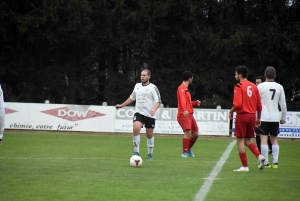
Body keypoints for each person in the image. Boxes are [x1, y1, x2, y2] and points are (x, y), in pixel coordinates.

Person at [115, 69, 161, 160]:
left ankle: (150, 153)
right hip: (139, 112)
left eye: (144, 75)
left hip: (150, 114)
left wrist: (154, 109)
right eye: (141, 75)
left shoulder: (153, 87)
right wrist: (122, 105)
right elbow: (132, 98)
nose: (142, 77)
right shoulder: (137, 86)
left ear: (149, 76)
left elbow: (158, 101)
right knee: (135, 129)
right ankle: (136, 151)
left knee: (149, 134)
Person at [229, 66, 265, 172]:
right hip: (252, 115)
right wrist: (258, 117)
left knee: (240, 140)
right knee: (248, 140)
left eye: (236, 74)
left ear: (240, 75)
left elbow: (238, 105)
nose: (235, 76)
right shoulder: (254, 86)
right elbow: (259, 105)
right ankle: (259, 156)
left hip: (242, 115)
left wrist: (230, 112)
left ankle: (244, 166)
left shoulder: (238, 86)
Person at [256, 66, 287, 168]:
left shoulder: (260, 87)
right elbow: (283, 104)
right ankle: (275, 162)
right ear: (275, 76)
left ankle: (265, 162)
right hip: (274, 117)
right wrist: (283, 117)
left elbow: (255, 103)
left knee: (263, 140)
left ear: (265, 76)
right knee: (274, 139)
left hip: (263, 117)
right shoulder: (279, 87)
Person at [176, 71, 201, 158]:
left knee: (196, 134)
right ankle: (184, 152)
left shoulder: (186, 89)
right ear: (190, 79)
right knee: (188, 132)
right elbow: (183, 101)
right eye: (192, 78)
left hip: (190, 114)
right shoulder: (181, 88)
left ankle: (188, 149)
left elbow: (188, 102)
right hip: (183, 114)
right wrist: (185, 110)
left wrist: (195, 103)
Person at [255, 76, 273, 154]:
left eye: (258, 82)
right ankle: (259, 150)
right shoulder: (256, 91)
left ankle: (271, 149)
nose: (257, 84)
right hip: (258, 114)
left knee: (267, 133)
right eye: (256, 83)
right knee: (258, 133)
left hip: (267, 115)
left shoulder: (265, 92)